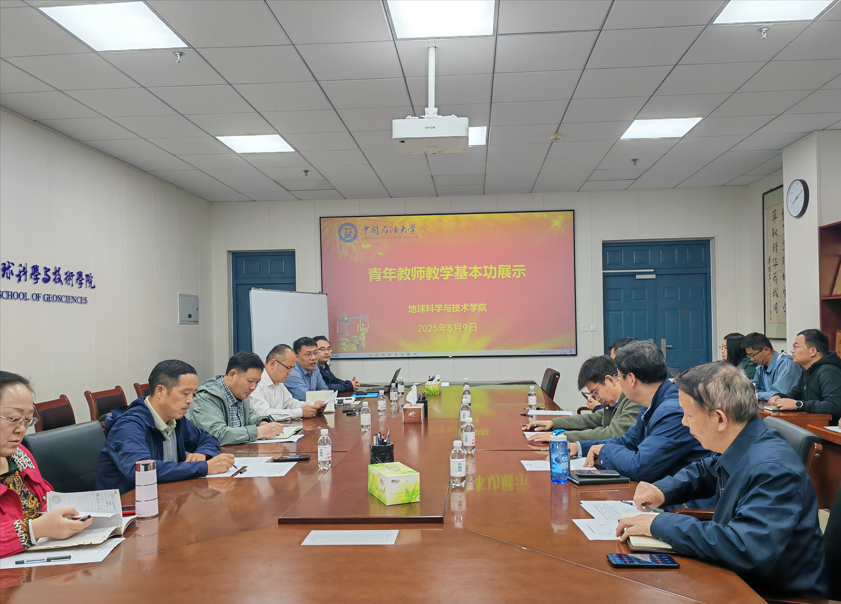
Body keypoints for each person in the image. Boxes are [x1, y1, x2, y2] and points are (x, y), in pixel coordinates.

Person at [617, 362, 827, 598]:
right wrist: (662, 490)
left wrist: (661, 524)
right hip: (734, 576)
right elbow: (707, 469)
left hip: (769, 594)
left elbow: (746, 548)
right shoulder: (745, 440)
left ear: (720, 419)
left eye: (689, 415)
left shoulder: (773, 470)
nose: (684, 422)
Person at [575, 341, 710, 483]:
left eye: (618, 377)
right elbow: (627, 442)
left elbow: (640, 466)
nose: (618, 382)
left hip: (685, 495)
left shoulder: (672, 412)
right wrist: (580, 447)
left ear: (631, 379)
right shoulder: (650, 404)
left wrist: (604, 451)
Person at [97, 360, 234, 495]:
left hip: (165, 497)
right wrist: (204, 467)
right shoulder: (128, 426)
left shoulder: (176, 419)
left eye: (193, 394)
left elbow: (207, 439)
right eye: (185, 393)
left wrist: (202, 454)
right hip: (128, 504)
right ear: (160, 391)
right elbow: (141, 470)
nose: (190, 401)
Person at [0, 371, 93, 557]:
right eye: (14, 419)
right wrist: (35, 529)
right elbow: (37, 526)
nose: (21, 429)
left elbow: (44, 501)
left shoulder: (20, 455)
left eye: (27, 420)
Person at [523, 356, 642, 449]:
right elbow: (591, 419)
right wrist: (553, 423)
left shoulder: (634, 401)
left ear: (610, 380)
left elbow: (611, 434)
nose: (597, 399)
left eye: (596, 392)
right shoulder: (614, 402)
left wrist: (561, 437)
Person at [188, 352, 288, 445]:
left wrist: (261, 423)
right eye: (250, 381)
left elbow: (249, 417)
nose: (253, 387)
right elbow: (217, 435)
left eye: (257, 382)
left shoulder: (241, 393)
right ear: (232, 375)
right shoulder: (207, 397)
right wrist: (259, 432)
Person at [769, 329, 841, 423]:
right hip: (810, 423)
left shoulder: (828, 370)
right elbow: (794, 394)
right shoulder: (807, 370)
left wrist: (798, 404)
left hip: (827, 427)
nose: (792, 350)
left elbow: (834, 405)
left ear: (812, 351)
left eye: (796, 346)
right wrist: (779, 397)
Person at [250, 344, 327, 420]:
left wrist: (313, 405)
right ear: (273, 364)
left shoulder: (278, 382)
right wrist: (300, 412)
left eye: (292, 368)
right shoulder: (256, 382)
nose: (290, 373)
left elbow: (290, 403)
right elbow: (264, 414)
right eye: (288, 368)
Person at [741, 332, 802, 401]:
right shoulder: (760, 366)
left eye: (752, 355)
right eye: (749, 356)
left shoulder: (786, 365)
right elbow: (752, 388)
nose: (751, 359)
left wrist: (756, 395)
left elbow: (778, 394)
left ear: (766, 350)